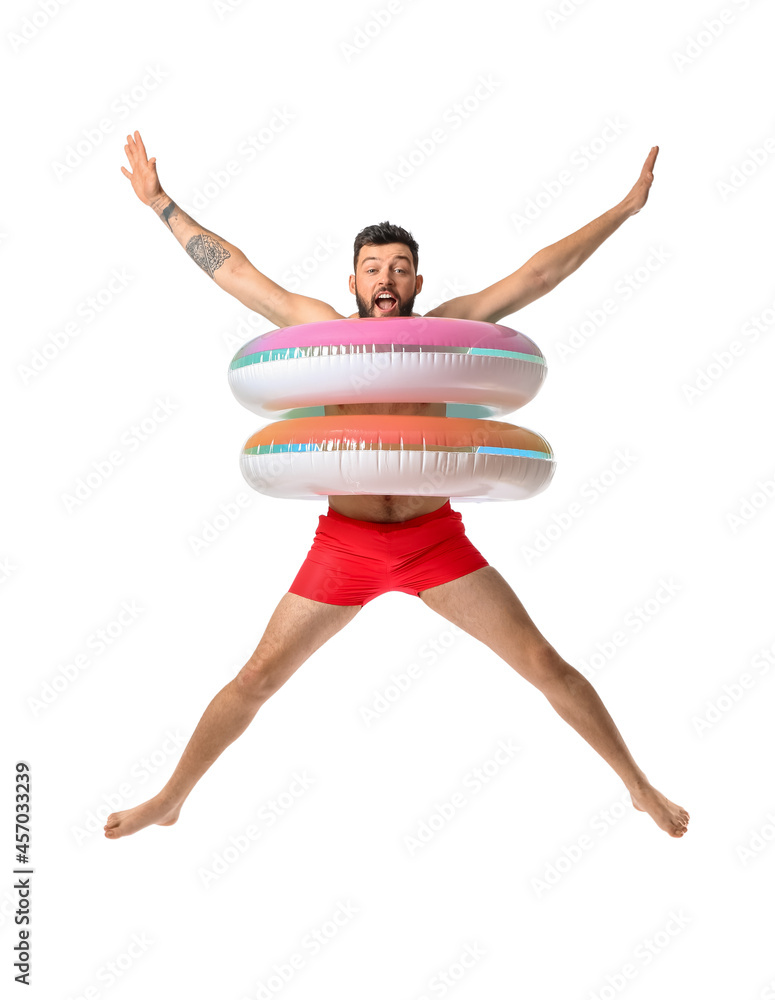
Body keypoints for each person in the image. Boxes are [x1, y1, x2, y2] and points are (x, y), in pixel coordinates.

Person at [105, 132, 688, 840]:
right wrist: (162, 204)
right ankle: (170, 798)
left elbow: (536, 277)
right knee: (256, 677)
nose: (386, 277)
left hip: (432, 541)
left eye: (400, 268)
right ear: (352, 282)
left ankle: (636, 786)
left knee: (542, 664)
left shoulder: (448, 328)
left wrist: (623, 209)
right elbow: (237, 274)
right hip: (344, 544)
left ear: (416, 282)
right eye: (372, 267)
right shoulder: (317, 330)